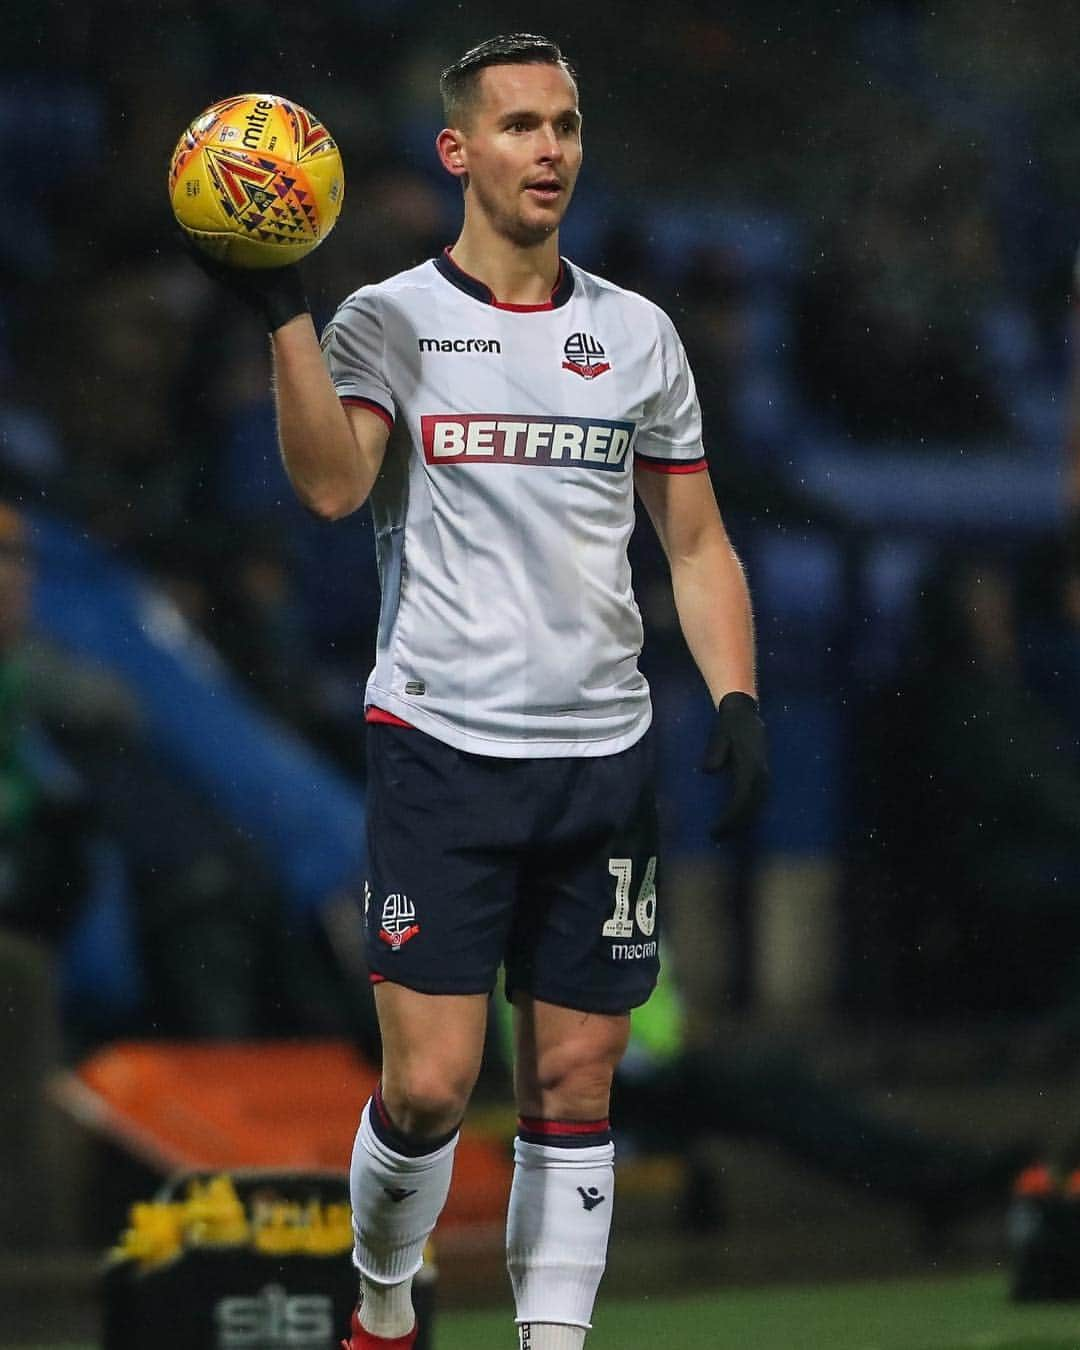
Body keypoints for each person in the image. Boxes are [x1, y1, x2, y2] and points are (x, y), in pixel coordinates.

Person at [191, 34, 768, 1350]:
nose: (549, 149)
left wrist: (736, 698)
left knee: (575, 1072)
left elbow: (694, 540)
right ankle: (385, 1300)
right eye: (518, 126)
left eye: (564, 124)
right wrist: (284, 305)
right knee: (431, 1089)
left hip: (601, 755)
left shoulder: (637, 334)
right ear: (457, 150)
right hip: (443, 747)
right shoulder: (390, 318)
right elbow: (335, 488)